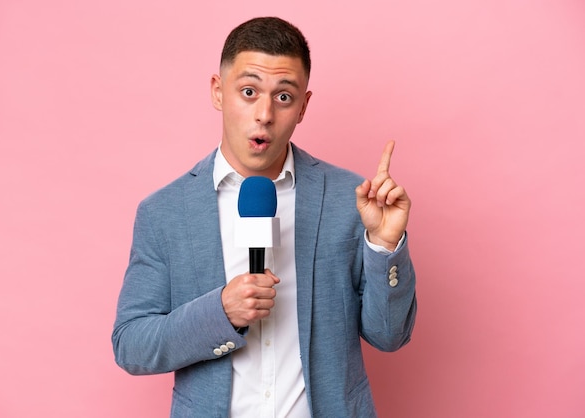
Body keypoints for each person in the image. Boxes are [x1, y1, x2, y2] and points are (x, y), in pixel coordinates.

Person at [112, 16, 417, 417]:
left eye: (283, 97)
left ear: (303, 107)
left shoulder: (352, 199)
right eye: (249, 91)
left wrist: (384, 245)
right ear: (218, 92)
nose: (265, 114)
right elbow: (131, 344)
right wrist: (220, 311)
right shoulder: (164, 212)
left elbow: (390, 336)